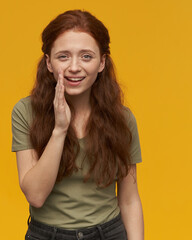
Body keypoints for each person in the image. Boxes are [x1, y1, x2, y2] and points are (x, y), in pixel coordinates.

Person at [11, 9, 144, 240]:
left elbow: (130, 199)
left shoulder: (122, 118)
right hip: (46, 235)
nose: (74, 67)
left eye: (86, 56)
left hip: (108, 233)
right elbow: (36, 195)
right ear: (49, 63)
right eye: (63, 56)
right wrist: (60, 129)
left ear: (102, 62)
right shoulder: (25, 112)